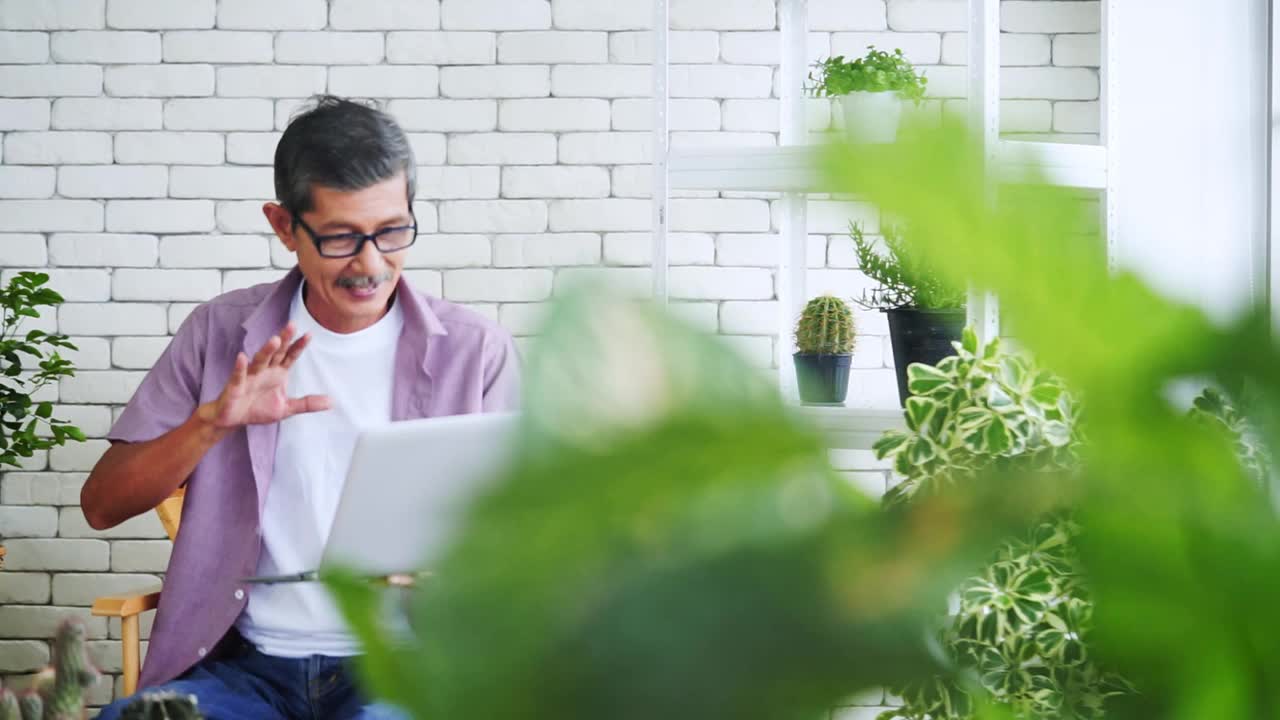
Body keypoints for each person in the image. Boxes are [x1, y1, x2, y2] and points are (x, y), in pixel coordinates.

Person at [83, 95, 521, 720]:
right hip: (241, 669)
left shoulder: (477, 352)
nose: (371, 264)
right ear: (285, 226)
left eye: (392, 231)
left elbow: (528, 534)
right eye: (341, 238)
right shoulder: (218, 334)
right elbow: (102, 505)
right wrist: (211, 423)